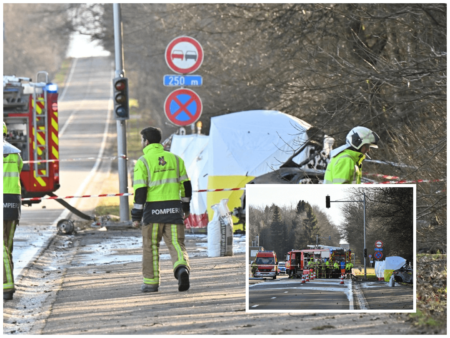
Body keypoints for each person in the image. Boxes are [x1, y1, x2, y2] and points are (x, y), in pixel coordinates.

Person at [131, 127, 192, 293]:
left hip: (152, 213)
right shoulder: (176, 160)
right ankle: (181, 270)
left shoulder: (143, 162)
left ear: (146, 142)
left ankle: (151, 283)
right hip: (174, 210)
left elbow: (140, 191)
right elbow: (186, 185)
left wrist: (136, 215)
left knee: (150, 246)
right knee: (176, 244)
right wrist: (185, 206)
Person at [3, 122, 23, 301]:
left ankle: (6, 284)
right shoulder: (15, 153)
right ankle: (7, 284)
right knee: (7, 245)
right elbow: (19, 169)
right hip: (13, 202)